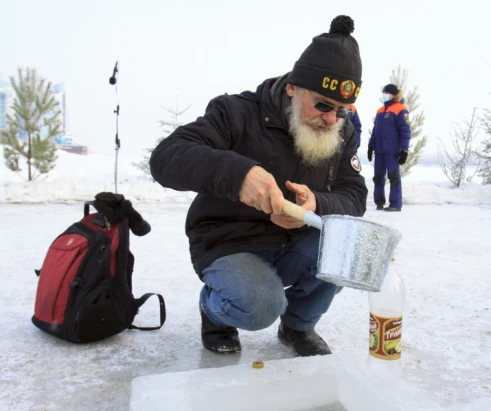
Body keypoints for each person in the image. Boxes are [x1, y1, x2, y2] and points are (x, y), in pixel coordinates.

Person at [150, 15, 366, 357]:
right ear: (294, 87)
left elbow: (355, 195)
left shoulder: (342, 131)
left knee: (346, 250)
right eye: (323, 104)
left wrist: (318, 204)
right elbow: (165, 158)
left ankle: (297, 325)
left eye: (342, 110)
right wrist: (239, 175)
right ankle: (214, 311)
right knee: (260, 306)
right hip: (231, 241)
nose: (330, 119)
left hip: (295, 242)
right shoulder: (237, 113)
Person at [367, 84, 411, 211]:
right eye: (383, 92)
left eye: (386, 92)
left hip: (392, 151)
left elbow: (405, 131)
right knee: (378, 177)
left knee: (393, 177)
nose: (384, 95)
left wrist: (404, 149)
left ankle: (395, 204)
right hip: (379, 150)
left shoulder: (401, 109)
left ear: (393, 94)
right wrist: (370, 147)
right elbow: (375, 131)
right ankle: (379, 202)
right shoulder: (380, 111)